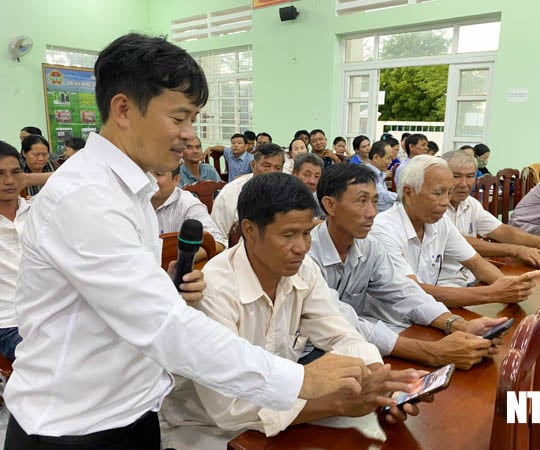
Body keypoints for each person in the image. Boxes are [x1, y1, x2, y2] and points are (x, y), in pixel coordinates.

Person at [4, 33, 367, 450]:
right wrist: (301, 379)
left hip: (132, 411)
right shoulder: (86, 197)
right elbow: (162, 327)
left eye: (192, 120)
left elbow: (122, 306)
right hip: (72, 428)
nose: (188, 135)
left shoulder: (129, 188)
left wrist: (168, 289)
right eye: (178, 118)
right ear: (123, 108)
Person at [160, 173, 424, 448]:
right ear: (249, 230)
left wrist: (378, 382)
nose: (301, 248)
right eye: (288, 235)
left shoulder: (303, 269)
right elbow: (230, 410)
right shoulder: (215, 290)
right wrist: (334, 404)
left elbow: (341, 334)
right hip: (206, 430)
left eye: (307, 233)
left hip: (284, 417)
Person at [310, 163, 508, 370]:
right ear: (330, 205)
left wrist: (460, 325)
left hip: (359, 346)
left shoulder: (369, 247)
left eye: (375, 201)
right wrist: (431, 352)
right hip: (311, 355)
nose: (371, 212)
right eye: (361, 201)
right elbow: (340, 319)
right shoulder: (306, 256)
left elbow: (403, 291)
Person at [371, 155, 540, 307]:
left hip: (428, 311)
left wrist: (509, 286)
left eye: (449, 193)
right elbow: (412, 292)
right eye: (438, 193)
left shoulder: (439, 221)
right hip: (396, 322)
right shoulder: (383, 230)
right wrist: (493, 293)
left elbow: (475, 262)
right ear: (408, 193)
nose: (445, 202)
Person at [441, 150, 540, 276]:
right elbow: (457, 241)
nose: (464, 184)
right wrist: (515, 250)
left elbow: (502, 230)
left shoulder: (471, 203)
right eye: (456, 176)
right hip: (446, 278)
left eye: (470, 176)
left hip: (470, 274)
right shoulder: (433, 206)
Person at [211, 143, 285, 239]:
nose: (272, 172)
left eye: (277, 168)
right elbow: (218, 237)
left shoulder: (287, 193)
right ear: (253, 165)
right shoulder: (230, 194)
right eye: (266, 166)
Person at [150, 165, 226, 256]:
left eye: (159, 174)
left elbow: (217, 242)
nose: (151, 179)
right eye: (146, 173)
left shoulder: (188, 205)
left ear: (176, 179)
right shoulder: (133, 201)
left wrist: (180, 260)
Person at [0, 142, 28, 362]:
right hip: (7, 322)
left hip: (49, 313)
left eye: (15, 172)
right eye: (0, 174)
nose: (9, 181)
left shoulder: (39, 212)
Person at [291, 152, 325, 219]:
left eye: (317, 176)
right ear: (294, 174)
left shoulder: (320, 197)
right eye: (307, 175)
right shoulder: (283, 196)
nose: (312, 181)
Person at [366, 140, 397, 212]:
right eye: (388, 158)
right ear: (376, 157)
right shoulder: (368, 174)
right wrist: (402, 198)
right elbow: (381, 195)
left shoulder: (380, 173)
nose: (390, 162)